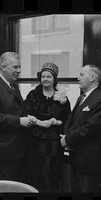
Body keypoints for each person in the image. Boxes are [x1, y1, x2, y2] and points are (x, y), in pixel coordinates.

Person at [0, 52, 35, 182]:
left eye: (19, 67)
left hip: (18, 150)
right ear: (3, 67)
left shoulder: (13, 86)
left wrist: (27, 117)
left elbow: (14, 110)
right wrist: (19, 121)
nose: (19, 71)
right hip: (3, 153)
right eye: (15, 67)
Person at [60, 64, 101, 193]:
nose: (78, 78)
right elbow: (70, 120)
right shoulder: (81, 98)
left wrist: (68, 139)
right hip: (76, 158)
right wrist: (66, 135)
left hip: (90, 162)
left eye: (82, 75)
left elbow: (90, 128)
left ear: (92, 77)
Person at [24, 63, 71, 192]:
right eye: (43, 76)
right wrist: (39, 122)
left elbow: (68, 119)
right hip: (34, 142)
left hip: (54, 145)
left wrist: (57, 122)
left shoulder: (62, 97)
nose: (45, 79)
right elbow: (24, 113)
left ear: (54, 78)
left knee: (52, 175)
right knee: (34, 175)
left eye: (48, 76)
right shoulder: (33, 95)